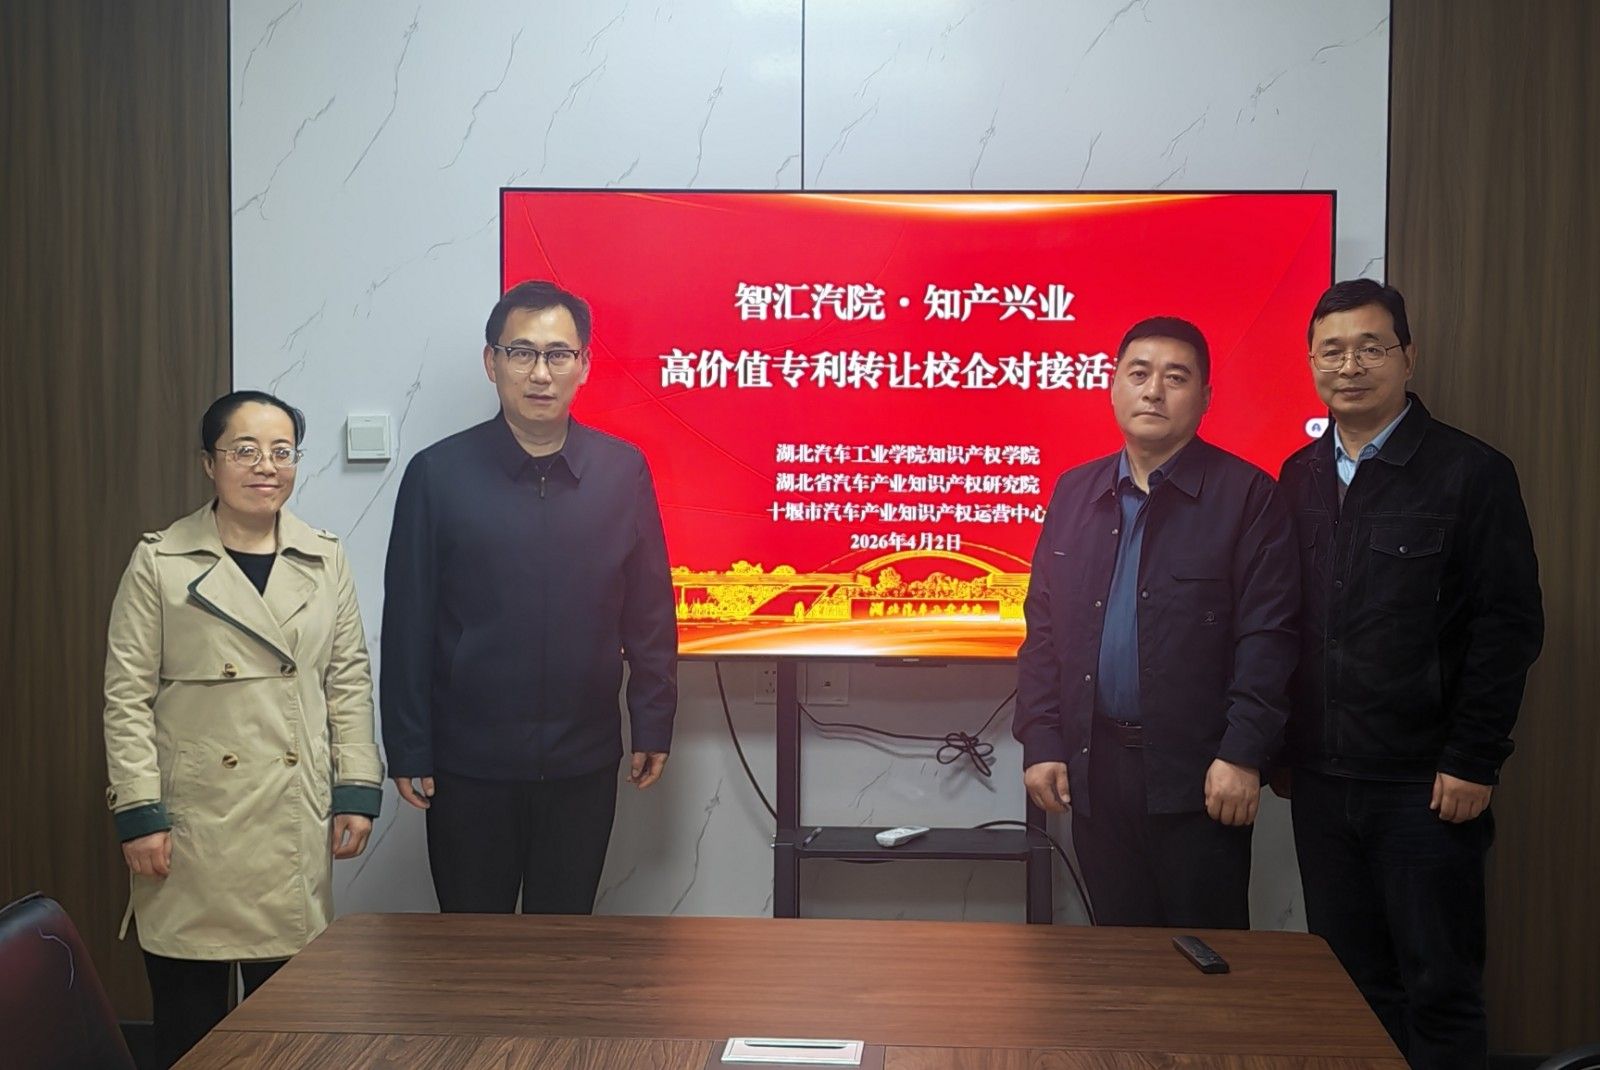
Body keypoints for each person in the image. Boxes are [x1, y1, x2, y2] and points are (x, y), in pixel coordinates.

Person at [1278, 280, 1543, 1069]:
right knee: (1349, 987)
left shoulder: (1470, 471)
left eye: (1371, 347)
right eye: (1332, 351)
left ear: (1407, 356)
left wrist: (1473, 757)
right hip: (1321, 783)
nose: (1350, 366)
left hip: (1424, 787)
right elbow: (1282, 622)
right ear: (1312, 363)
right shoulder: (1296, 476)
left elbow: (1508, 626)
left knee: (1439, 986)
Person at [102, 391, 383, 1068]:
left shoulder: (324, 557)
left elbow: (347, 678)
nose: (266, 466)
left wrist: (355, 788)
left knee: (288, 1030)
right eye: (245, 451)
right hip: (192, 825)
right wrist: (139, 814)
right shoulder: (161, 561)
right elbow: (126, 696)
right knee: (191, 1028)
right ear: (210, 463)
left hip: (290, 816)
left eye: (282, 452)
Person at [382, 279, 677, 916]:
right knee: (472, 943)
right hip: (467, 765)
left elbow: (650, 614)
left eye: (558, 354)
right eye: (521, 353)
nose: (540, 373)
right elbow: (408, 622)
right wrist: (407, 745)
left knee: (562, 942)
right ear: (492, 362)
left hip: (583, 761)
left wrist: (653, 720)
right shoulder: (438, 474)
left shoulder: (622, 472)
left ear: (584, 365)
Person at [1014, 316, 1299, 928]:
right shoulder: (1073, 492)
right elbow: (1043, 633)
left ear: (1205, 397)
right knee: (1118, 953)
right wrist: (1042, 741)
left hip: (1202, 773)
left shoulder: (1247, 496)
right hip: (1095, 769)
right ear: (1113, 386)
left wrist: (1243, 754)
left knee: (1206, 956)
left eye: (1176, 378)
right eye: (1139, 374)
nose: (1153, 391)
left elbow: (1268, 640)